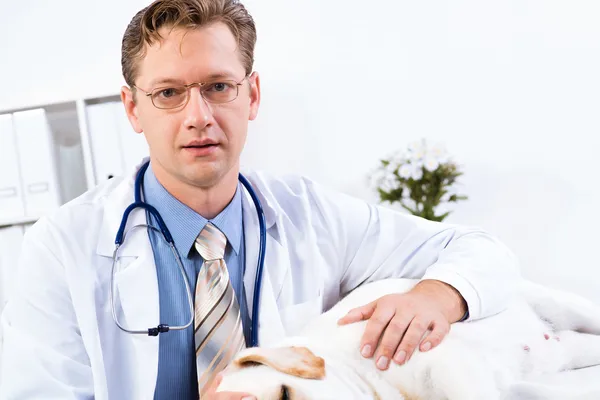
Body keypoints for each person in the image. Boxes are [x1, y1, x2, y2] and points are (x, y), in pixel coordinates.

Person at [0, 0, 519, 399]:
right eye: (168, 93)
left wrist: (435, 297)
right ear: (133, 109)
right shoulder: (64, 245)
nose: (198, 115)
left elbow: (482, 250)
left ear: (252, 95)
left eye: (219, 86)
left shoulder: (309, 213)